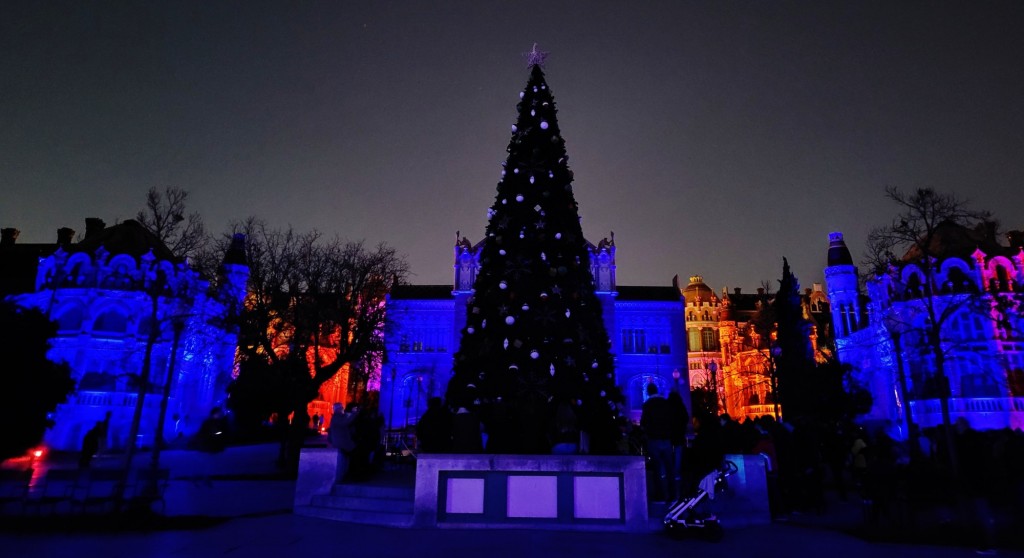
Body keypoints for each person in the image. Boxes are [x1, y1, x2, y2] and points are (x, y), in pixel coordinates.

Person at [641, 383, 675, 503]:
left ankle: (660, 494)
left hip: (654, 440)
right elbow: (672, 420)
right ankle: (672, 493)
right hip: (666, 439)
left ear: (648, 392)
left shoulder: (647, 405)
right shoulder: (666, 403)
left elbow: (643, 422)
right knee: (669, 467)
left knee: (656, 468)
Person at [194, 407, 229, 486]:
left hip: (209, 446)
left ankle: (202, 478)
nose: (221, 414)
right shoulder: (211, 422)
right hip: (209, 446)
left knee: (208, 463)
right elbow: (213, 433)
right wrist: (220, 433)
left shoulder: (214, 422)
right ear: (215, 414)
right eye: (219, 413)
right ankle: (202, 478)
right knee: (208, 463)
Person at [328, 403, 357, 482]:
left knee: (353, 455)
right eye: (341, 408)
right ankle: (351, 475)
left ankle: (351, 474)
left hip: (343, 442)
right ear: (338, 409)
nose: (343, 409)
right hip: (342, 443)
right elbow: (346, 422)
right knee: (355, 455)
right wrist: (354, 413)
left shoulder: (339, 417)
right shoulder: (337, 417)